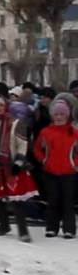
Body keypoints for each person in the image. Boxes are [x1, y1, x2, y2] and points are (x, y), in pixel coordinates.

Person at [0, 97, 37, 242]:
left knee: (16, 200)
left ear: (6, 107)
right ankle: (3, 225)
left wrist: (18, 162)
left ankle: (23, 231)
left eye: (1, 105)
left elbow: (22, 144)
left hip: (11, 165)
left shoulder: (16, 123)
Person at [32, 98, 78, 239]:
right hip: (50, 172)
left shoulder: (74, 132)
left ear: (67, 115)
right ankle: (52, 227)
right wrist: (44, 160)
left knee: (68, 201)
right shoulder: (46, 132)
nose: (59, 117)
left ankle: (69, 229)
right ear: (52, 115)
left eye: (62, 115)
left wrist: (75, 164)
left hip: (69, 172)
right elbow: (37, 148)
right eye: (56, 114)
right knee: (53, 200)